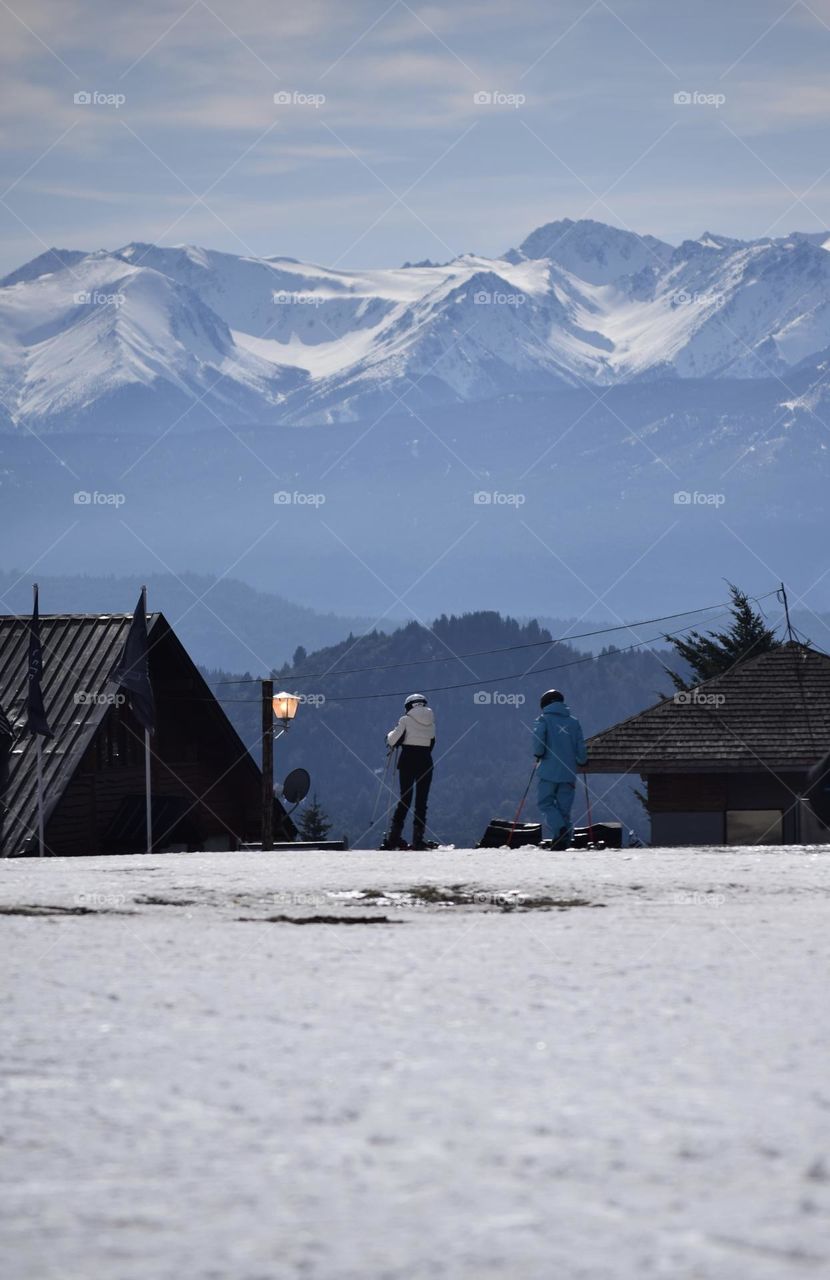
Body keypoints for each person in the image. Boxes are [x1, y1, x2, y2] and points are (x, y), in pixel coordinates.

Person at [532, 689, 587, 850]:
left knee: (546, 803)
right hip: (568, 773)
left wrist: (538, 753)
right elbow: (580, 747)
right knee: (564, 809)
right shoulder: (574, 722)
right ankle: (563, 841)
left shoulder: (543, 720)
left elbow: (538, 743)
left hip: (548, 771)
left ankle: (559, 831)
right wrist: (582, 761)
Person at [382, 694, 435, 850]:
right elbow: (432, 743)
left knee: (405, 799)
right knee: (421, 802)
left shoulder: (405, 720)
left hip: (407, 761)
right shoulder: (432, 722)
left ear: (409, 706)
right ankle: (418, 840)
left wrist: (389, 735)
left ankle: (394, 838)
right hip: (426, 762)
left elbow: (393, 740)